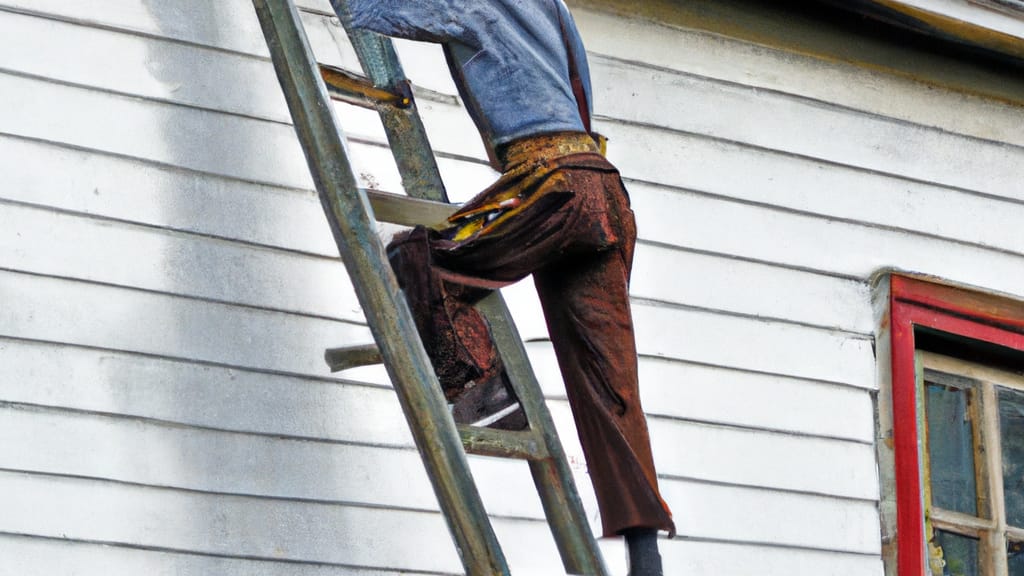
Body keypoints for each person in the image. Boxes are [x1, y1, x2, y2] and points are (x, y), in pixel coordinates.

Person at [334, 1, 675, 573]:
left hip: (549, 187)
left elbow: (380, 13)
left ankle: (488, 398)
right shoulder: (551, 5)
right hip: (606, 192)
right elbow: (578, 83)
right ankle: (646, 555)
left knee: (415, 260)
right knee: (609, 381)